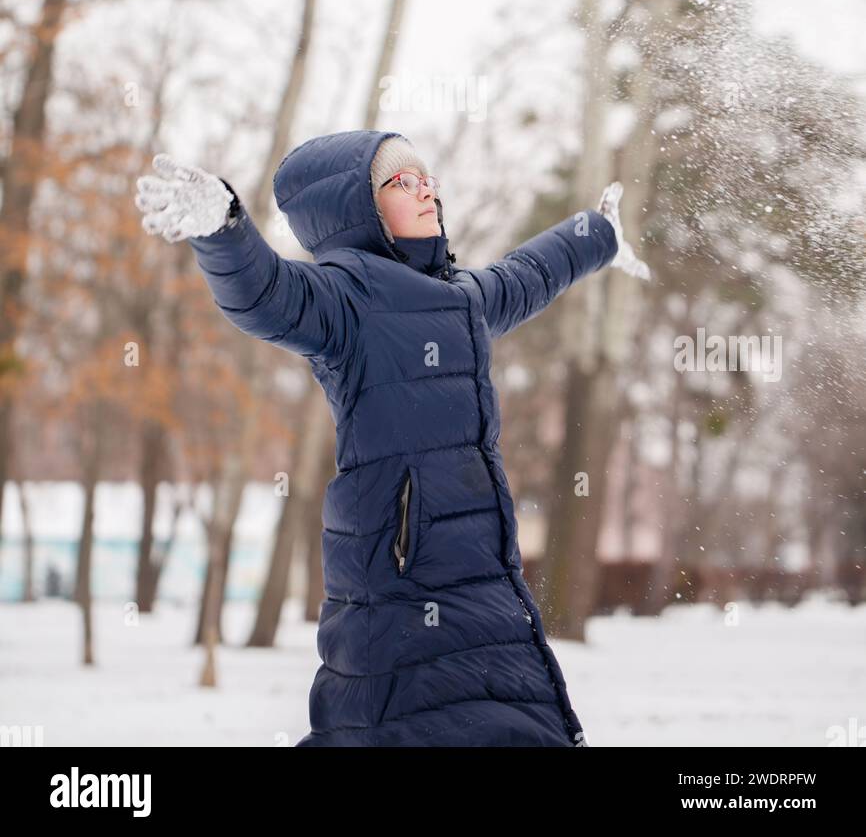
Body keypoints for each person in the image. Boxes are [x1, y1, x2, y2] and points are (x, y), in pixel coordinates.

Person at [135, 129, 650, 746]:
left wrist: (598, 235)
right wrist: (222, 227)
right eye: (401, 181)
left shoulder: (463, 299)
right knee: (406, 719)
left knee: (506, 716)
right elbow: (265, 293)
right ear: (360, 212)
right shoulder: (345, 297)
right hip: (400, 573)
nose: (425, 189)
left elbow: (530, 273)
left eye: (427, 177)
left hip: (481, 572)